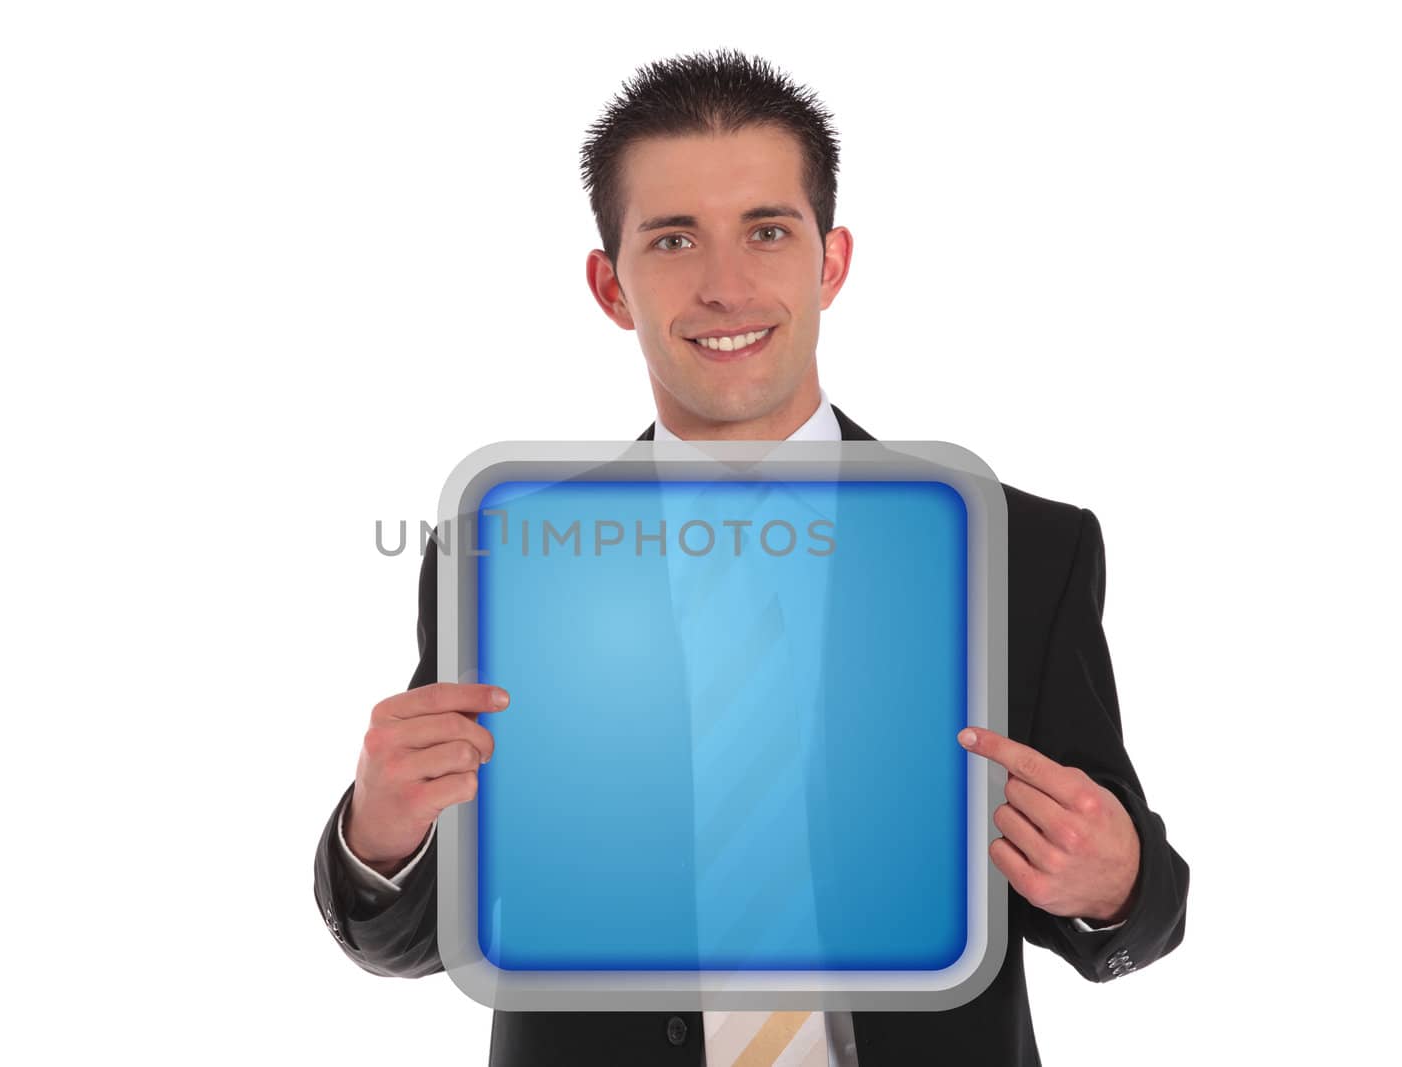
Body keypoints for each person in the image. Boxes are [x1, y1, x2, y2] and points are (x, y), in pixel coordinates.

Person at [313, 49, 1188, 1067]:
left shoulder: (1018, 548)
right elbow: (421, 933)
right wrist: (382, 833)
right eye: (674, 238)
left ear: (830, 261)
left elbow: (1131, 900)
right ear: (609, 284)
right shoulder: (507, 552)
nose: (726, 287)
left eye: (766, 231)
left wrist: (1114, 882)